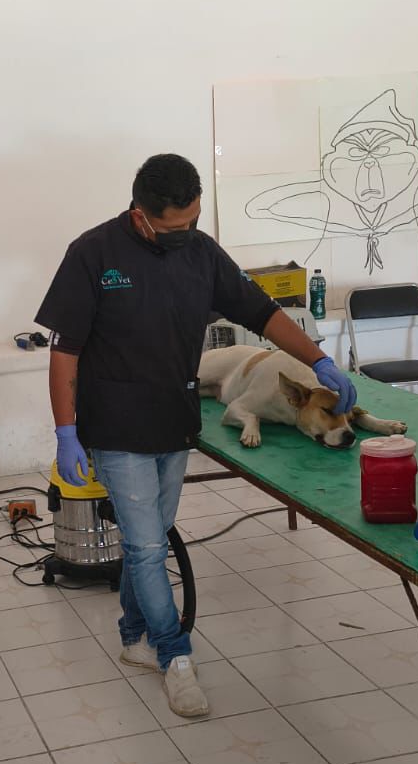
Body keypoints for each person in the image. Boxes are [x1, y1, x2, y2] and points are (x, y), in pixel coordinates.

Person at [36, 154, 356, 719]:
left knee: (151, 538)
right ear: (141, 214)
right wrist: (66, 431)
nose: (186, 232)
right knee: (145, 547)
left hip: (174, 418)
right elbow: (65, 352)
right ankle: (173, 652)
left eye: (194, 220)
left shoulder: (202, 252)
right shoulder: (93, 254)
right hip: (114, 423)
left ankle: (133, 635)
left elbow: (261, 312)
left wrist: (319, 360)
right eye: (174, 227)